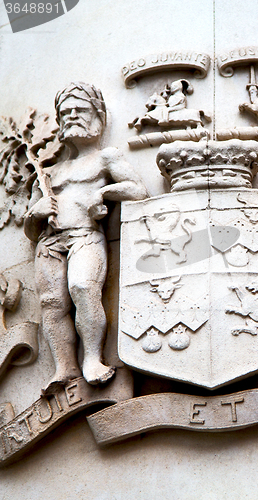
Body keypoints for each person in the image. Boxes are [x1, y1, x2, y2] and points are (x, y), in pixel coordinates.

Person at [24, 82, 148, 393]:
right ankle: (64, 367)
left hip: (85, 236)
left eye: (80, 110)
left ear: (98, 116)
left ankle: (93, 359)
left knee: (82, 288)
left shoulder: (106, 157)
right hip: (50, 244)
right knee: (52, 304)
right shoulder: (49, 172)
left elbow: (137, 189)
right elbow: (30, 229)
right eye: (66, 112)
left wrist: (103, 193)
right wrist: (36, 212)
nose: (73, 116)